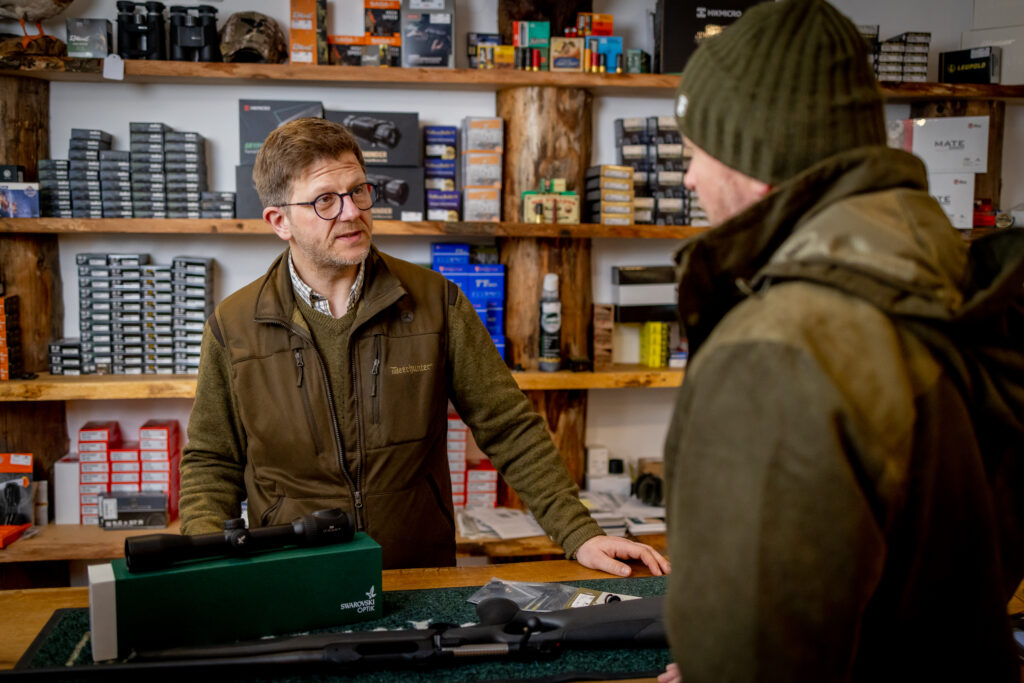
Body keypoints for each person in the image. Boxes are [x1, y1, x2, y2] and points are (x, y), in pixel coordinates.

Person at [658, 0, 1024, 681]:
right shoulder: (946, 288)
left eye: (694, 151)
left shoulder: (778, 348)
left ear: (752, 155)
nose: (688, 178)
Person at [179, 116, 670, 577]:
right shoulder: (234, 324)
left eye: (358, 192)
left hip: (417, 570)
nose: (351, 212)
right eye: (325, 200)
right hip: (292, 574)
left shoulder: (435, 302)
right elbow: (211, 461)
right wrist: (204, 565)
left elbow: (509, 427)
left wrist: (579, 531)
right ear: (279, 220)